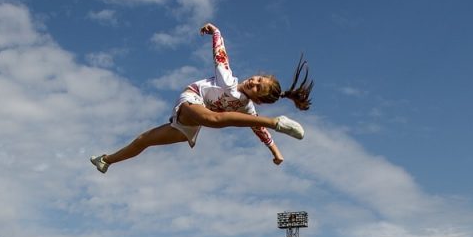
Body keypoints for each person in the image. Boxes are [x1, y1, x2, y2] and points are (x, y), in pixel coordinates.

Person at [89, 23, 310, 175]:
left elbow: (259, 132)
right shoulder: (228, 80)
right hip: (191, 100)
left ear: (258, 100)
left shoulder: (246, 107)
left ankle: (105, 161)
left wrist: (276, 153)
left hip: (193, 122)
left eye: (258, 88)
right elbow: (220, 54)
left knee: (144, 140)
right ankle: (276, 121)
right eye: (258, 79)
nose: (254, 82)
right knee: (213, 119)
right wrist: (216, 31)